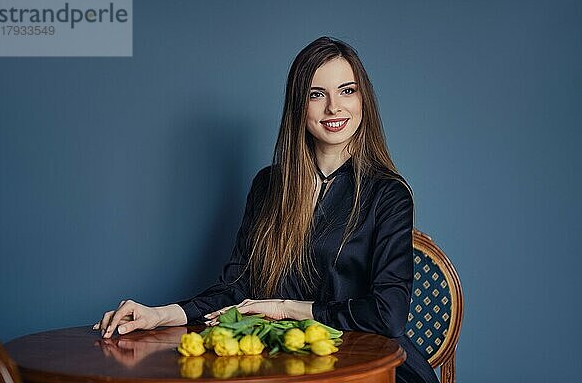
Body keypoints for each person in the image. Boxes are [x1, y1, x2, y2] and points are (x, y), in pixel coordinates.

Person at [95, 36, 440, 383]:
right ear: (297, 105)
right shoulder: (267, 186)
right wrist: (159, 314)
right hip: (285, 362)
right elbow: (235, 288)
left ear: (363, 98)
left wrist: (285, 309)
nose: (334, 107)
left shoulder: (388, 194)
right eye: (316, 94)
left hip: (370, 367)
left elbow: (387, 316)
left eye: (347, 90)